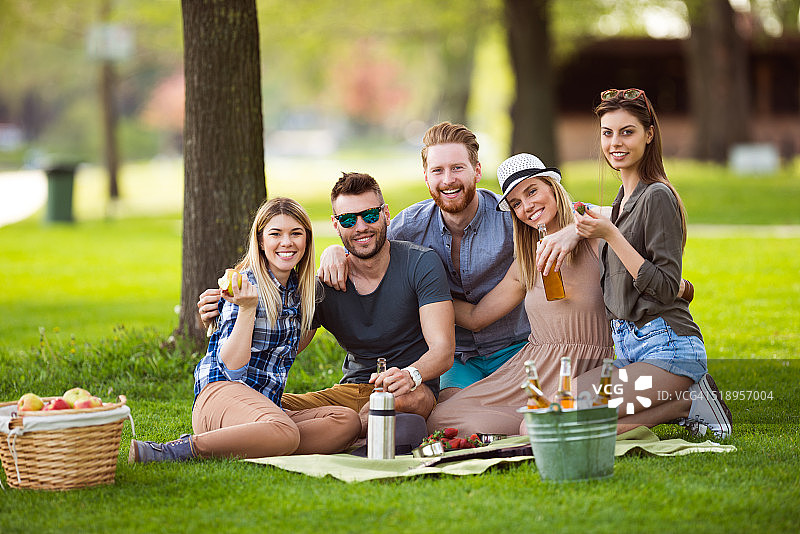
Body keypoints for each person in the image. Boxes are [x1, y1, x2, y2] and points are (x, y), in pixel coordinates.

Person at [198, 173, 455, 446]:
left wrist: (410, 374)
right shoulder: (324, 285)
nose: (360, 227)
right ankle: (339, 432)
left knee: (403, 402)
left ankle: (309, 431)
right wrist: (225, 312)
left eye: (369, 215)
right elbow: (284, 343)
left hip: (407, 389)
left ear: (386, 214)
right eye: (348, 220)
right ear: (336, 224)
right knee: (272, 403)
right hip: (348, 392)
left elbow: (443, 350)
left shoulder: (420, 264)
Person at [129, 198, 361, 464]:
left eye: (296, 233)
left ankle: (257, 442)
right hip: (221, 396)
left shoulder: (300, 292)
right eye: (275, 234)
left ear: (307, 240)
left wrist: (335, 252)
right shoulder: (243, 285)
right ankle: (176, 450)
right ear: (261, 241)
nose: (287, 242)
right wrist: (248, 308)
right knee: (286, 432)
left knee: (346, 421)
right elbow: (231, 368)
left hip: (265, 406)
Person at [318, 122, 531, 401]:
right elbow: (367, 243)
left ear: (477, 171)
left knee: (535, 409)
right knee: (448, 418)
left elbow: (559, 217)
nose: (448, 180)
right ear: (426, 177)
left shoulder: (510, 219)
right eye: (437, 170)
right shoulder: (409, 226)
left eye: (457, 168)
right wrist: (334, 251)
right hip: (457, 358)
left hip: (516, 347)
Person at [571, 88, 731, 438]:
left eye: (627, 132)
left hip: (666, 346)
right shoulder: (622, 200)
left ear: (649, 134)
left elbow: (666, 287)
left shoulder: (657, 196)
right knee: (558, 408)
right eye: (607, 133)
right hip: (628, 349)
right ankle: (687, 403)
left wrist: (611, 234)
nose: (615, 142)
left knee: (577, 425)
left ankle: (688, 400)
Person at [425, 153, 613, 436]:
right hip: (536, 367)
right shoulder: (527, 262)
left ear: (553, 187)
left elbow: (632, 213)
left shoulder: (594, 236)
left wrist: (574, 231)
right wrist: (423, 300)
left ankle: (528, 427)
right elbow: (476, 317)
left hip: (587, 366)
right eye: (516, 203)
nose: (527, 206)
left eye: (532, 191)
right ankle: (521, 426)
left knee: (534, 426)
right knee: (443, 417)